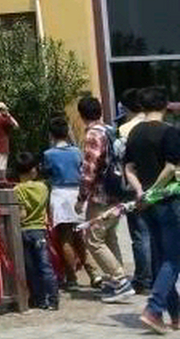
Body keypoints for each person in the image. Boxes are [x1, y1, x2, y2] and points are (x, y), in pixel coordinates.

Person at [124, 87, 180, 334]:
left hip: (146, 205)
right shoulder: (170, 132)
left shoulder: (133, 133)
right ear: (165, 105)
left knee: (161, 257)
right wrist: (155, 190)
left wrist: (140, 192)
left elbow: (128, 168)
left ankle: (176, 314)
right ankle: (154, 309)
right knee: (173, 258)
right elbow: (171, 168)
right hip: (168, 202)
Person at [75, 94, 134, 302]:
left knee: (93, 239)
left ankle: (119, 280)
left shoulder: (93, 134)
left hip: (100, 194)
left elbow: (90, 168)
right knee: (110, 237)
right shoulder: (110, 130)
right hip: (116, 192)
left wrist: (81, 197)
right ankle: (115, 281)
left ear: (81, 115)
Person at [41, 115, 88, 289]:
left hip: (60, 194)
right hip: (77, 193)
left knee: (65, 238)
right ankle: (93, 273)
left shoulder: (48, 154)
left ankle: (72, 278)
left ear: (51, 134)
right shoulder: (76, 151)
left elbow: (46, 173)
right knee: (80, 235)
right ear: (67, 132)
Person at [14, 151, 59, 309]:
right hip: (40, 230)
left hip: (24, 231)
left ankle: (38, 299)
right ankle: (53, 298)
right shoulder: (43, 187)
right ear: (33, 170)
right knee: (45, 266)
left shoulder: (18, 190)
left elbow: (22, 213)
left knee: (30, 268)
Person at [120, 89, 153, 294]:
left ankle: (143, 279)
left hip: (135, 187)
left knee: (140, 235)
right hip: (158, 186)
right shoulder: (160, 127)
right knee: (155, 233)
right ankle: (158, 275)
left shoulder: (125, 130)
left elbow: (124, 162)